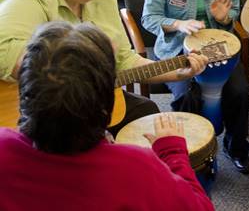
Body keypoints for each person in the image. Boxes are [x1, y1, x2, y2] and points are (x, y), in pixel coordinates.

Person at [0, 0, 208, 136]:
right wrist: (81, 60)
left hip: (90, 103)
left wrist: (179, 71)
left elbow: (126, 62)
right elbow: (6, 56)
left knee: (146, 112)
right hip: (42, 114)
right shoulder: (25, 0)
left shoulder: (104, 1)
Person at [0, 21, 214, 210]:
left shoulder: (4, 148)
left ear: (25, 91)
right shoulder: (136, 167)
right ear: (105, 106)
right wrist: (173, 152)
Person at [142, 0, 249, 174]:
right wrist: (179, 24)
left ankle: (235, 148)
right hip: (176, 51)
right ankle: (193, 155)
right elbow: (149, 17)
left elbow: (233, 12)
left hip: (219, 49)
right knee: (186, 96)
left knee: (239, 92)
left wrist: (224, 17)